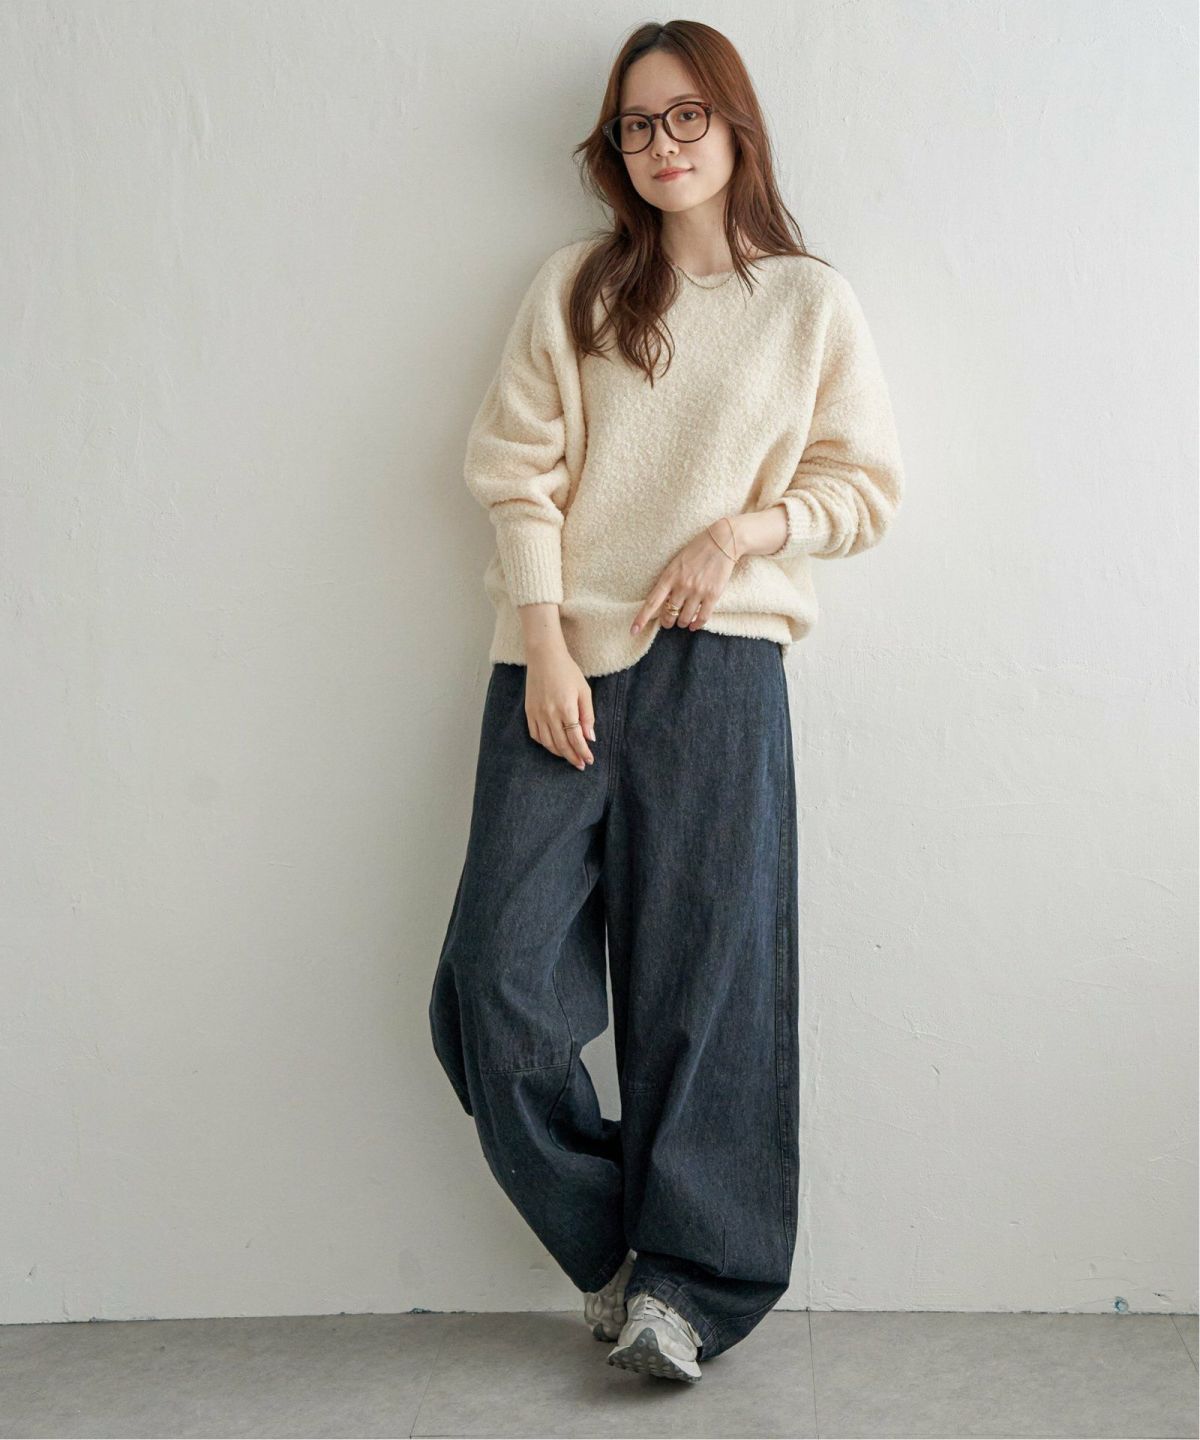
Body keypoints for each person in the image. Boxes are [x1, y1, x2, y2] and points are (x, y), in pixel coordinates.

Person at [428, 18, 905, 1383]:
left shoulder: (808, 303)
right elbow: (514, 470)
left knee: (708, 988)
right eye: (638, 124)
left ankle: (692, 1292)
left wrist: (741, 534)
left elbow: (862, 486)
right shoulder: (578, 287)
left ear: (735, 127)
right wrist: (543, 640)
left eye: (686, 115)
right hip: (559, 667)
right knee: (492, 990)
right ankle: (615, 1252)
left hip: (722, 665)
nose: (662, 144)